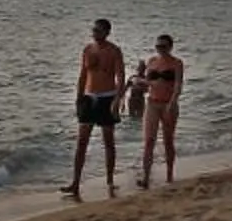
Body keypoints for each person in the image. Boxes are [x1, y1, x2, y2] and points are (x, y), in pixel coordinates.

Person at [64, 19, 127, 199]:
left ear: (107, 32)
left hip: (107, 97)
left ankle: (109, 180)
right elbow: (83, 75)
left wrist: (118, 99)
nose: (95, 32)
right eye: (93, 29)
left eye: (98, 30)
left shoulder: (114, 51)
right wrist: (78, 98)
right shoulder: (88, 50)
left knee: (108, 141)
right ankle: (75, 182)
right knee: (81, 142)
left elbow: (121, 76)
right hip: (89, 97)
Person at [139, 34, 187, 189]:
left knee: (168, 140)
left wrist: (173, 102)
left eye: (164, 47)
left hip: (168, 104)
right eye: (158, 46)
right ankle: (145, 177)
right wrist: (139, 77)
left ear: (170, 47)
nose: (160, 49)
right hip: (152, 103)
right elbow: (147, 85)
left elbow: (178, 85)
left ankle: (169, 174)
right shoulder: (152, 62)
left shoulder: (176, 63)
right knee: (148, 140)